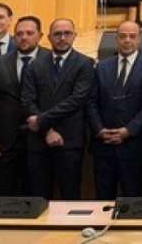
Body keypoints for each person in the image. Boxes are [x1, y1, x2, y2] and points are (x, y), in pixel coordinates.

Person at [21, 17, 95, 200]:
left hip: (69, 142)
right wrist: (47, 130)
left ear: (74, 36)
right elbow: (27, 101)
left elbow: (76, 100)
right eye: (57, 34)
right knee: (38, 198)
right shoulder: (35, 65)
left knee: (70, 196)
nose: (62, 38)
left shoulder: (85, 63)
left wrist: (41, 120)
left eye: (67, 33)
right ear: (48, 37)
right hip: (39, 141)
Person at [88, 20, 142, 198]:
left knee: (131, 199)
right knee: (102, 200)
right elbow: (91, 102)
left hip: (133, 145)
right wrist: (99, 130)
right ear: (116, 39)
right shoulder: (101, 67)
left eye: (132, 36)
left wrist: (128, 130)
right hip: (103, 145)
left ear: (139, 40)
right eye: (123, 36)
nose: (127, 40)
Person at [0, 15, 45, 195]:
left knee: (36, 194)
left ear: (40, 36)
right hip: (4, 143)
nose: (24, 37)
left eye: (29, 33)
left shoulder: (49, 60)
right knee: (3, 195)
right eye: (19, 34)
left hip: (39, 140)